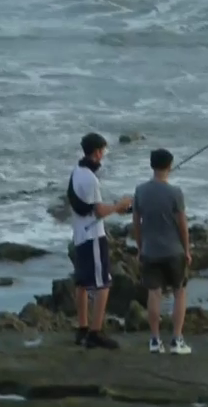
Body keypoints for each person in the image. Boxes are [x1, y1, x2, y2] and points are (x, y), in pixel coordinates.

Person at [67, 132, 133, 349]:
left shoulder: (77, 172)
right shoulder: (90, 178)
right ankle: (95, 332)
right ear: (96, 152)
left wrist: (116, 208)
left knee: (82, 284)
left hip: (79, 234)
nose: (103, 155)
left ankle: (83, 328)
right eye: (102, 151)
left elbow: (85, 207)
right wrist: (119, 206)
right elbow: (98, 211)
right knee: (103, 283)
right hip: (93, 236)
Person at [132, 148, 192, 355]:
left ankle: (155, 340)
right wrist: (187, 250)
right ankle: (176, 339)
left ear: (152, 165)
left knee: (154, 294)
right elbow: (182, 225)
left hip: (150, 251)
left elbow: (136, 224)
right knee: (179, 293)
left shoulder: (140, 191)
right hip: (174, 251)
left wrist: (140, 249)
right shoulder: (175, 193)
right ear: (170, 166)